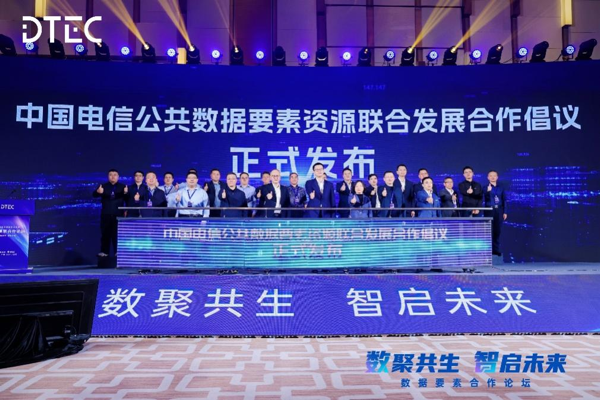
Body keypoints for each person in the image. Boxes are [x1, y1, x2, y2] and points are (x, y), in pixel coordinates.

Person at [92, 169, 126, 257]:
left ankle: (118, 252)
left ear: (118, 177)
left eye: (115, 175)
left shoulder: (123, 186)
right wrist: (98, 192)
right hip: (106, 214)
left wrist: (126, 193)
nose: (113, 176)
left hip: (118, 214)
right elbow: (94, 195)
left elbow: (128, 198)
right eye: (111, 175)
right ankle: (104, 251)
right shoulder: (103, 186)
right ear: (108, 176)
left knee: (117, 234)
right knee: (105, 234)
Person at [483, 170, 508, 256]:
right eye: (491, 176)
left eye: (494, 175)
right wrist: (488, 191)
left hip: (499, 210)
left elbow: (504, 200)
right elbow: (484, 198)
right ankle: (488, 250)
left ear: (497, 177)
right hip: (489, 210)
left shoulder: (501, 188)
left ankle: (496, 250)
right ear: (488, 177)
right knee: (489, 230)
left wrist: (505, 212)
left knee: (497, 230)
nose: (493, 177)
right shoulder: (485, 187)